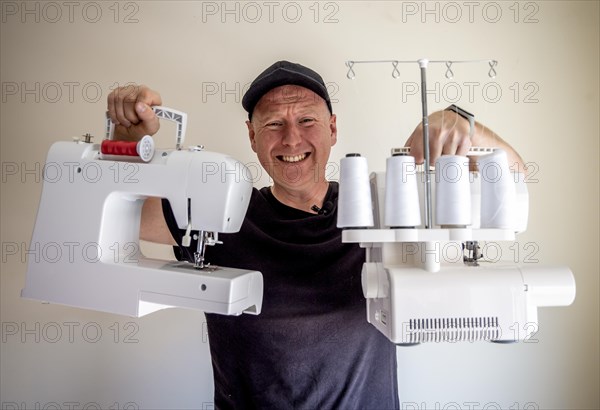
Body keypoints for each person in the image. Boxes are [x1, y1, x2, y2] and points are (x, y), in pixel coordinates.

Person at [108, 61, 525, 409]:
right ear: (252, 137)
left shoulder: (382, 208)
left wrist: (455, 122)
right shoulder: (221, 214)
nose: (292, 138)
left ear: (332, 128)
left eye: (307, 120)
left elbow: (513, 177)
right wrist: (130, 136)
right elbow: (126, 214)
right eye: (273, 123)